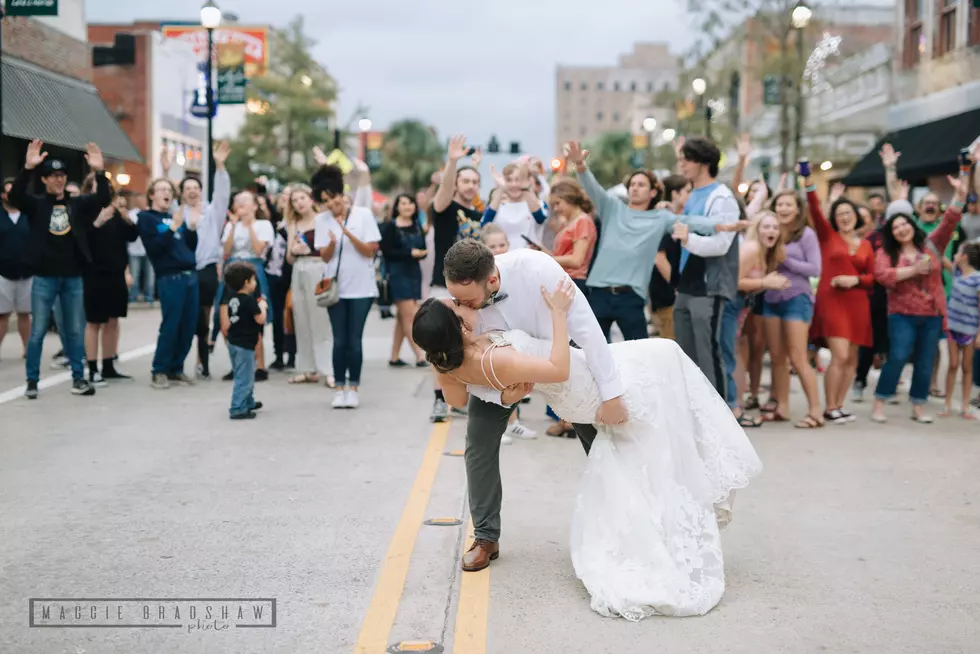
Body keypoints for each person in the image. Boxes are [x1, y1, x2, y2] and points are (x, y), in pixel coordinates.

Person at [412, 245, 762, 619]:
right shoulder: (459, 310)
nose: (460, 305)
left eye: (466, 299)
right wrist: (501, 389)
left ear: (493, 280)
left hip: (556, 372)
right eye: (454, 298)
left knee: (607, 448)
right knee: (478, 448)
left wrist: (610, 393)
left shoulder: (537, 270)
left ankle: (633, 528)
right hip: (495, 375)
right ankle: (485, 536)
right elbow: (460, 362)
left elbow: (587, 330)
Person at [11, 140, 111, 399]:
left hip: (73, 277)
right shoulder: (37, 205)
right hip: (44, 277)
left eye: (62, 176)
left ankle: (79, 378)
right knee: (38, 331)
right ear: (44, 179)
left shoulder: (75, 204)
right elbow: (15, 197)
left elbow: (102, 199)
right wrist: (27, 168)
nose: (58, 180)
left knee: (75, 329)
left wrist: (99, 172)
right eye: (53, 176)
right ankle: (32, 381)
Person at [871, 171, 969, 424]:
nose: (901, 229)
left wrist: (960, 195)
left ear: (912, 225)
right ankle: (880, 401)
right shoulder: (886, 253)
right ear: (891, 233)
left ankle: (918, 405)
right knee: (899, 356)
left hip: (932, 314)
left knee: (925, 362)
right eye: (896, 227)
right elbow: (883, 276)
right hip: (901, 314)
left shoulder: (932, 245)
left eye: (904, 224)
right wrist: (912, 270)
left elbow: (949, 221)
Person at [312, 163, 382, 410]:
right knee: (339, 340)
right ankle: (339, 387)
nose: (330, 205)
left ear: (342, 194)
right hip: (336, 289)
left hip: (362, 289)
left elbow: (370, 251)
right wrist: (331, 243)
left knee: (354, 340)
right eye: (324, 201)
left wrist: (346, 233)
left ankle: (354, 388)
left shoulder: (363, 215)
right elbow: (325, 257)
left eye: (332, 198)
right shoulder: (322, 220)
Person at [427, 135, 483, 422]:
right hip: (444, 283)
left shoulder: (480, 213)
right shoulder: (445, 209)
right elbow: (444, 191)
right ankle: (440, 400)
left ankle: (463, 398)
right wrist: (453, 162)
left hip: (474, 289)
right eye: (466, 181)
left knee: (468, 346)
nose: (470, 185)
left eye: (475, 181)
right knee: (439, 344)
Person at [138, 178, 199, 389]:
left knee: (188, 325)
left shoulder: (174, 216)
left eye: (169, 190)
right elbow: (154, 247)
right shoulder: (146, 218)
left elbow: (189, 246)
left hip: (190, 275)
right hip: (170, 276)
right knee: (171, 324)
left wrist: (190, 228)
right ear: (151, 195)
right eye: (162, 189)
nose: (167, 193)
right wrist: (172, 228)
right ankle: (160, 370)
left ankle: (176, 368)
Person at [82, 179, 139, 385]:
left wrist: (126, 218)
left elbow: (132, 236)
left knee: (113, 321)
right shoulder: (84, 212)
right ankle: (92, 368)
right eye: (98, 187)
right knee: (94, 322)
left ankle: (108, 365)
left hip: (116, 273)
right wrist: (97, 222)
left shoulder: (115, 212)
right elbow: (81, 239)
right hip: (94, 274)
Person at [379, 194, 428, 367]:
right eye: (403, 203)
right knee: (410, 316)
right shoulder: (390, 227)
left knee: (402, 317)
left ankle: (394, 357)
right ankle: (420, 355)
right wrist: (409, 253)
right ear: (397, 207)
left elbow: (423, 248)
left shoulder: (417, 226)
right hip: (397, 273)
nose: (407, 206)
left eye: (410, 203)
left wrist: (421, 253)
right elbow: (386, 252)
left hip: (414, 272)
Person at [220, 262, 266, 420]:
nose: (255, 284)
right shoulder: (249, 301)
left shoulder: (233, 299)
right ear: (246, 282)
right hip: (245, 345)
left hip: (234, 341)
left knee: (245, 373)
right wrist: (263, 306)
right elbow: (260, 319)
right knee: (244, 377)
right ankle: (237, 407)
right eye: (253, 280)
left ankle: (248, 401)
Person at [941, 242, 980, 419]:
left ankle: (965, 406)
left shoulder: (978, 279)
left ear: (964, 257)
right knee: (953, 364)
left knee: (966, 367)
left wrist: (979, 334)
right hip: (952, 326)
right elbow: (941, 258)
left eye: (957, 253)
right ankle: (947, 404)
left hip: (970, 329)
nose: (955, 255)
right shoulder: (957, 272)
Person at [0, 178, 32, 359]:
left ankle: (28, 350)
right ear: (2, 195)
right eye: (8, 192)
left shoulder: (29, 215)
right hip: (3, 272)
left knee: (25, 314)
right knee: (2, 314)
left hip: (26, 272)